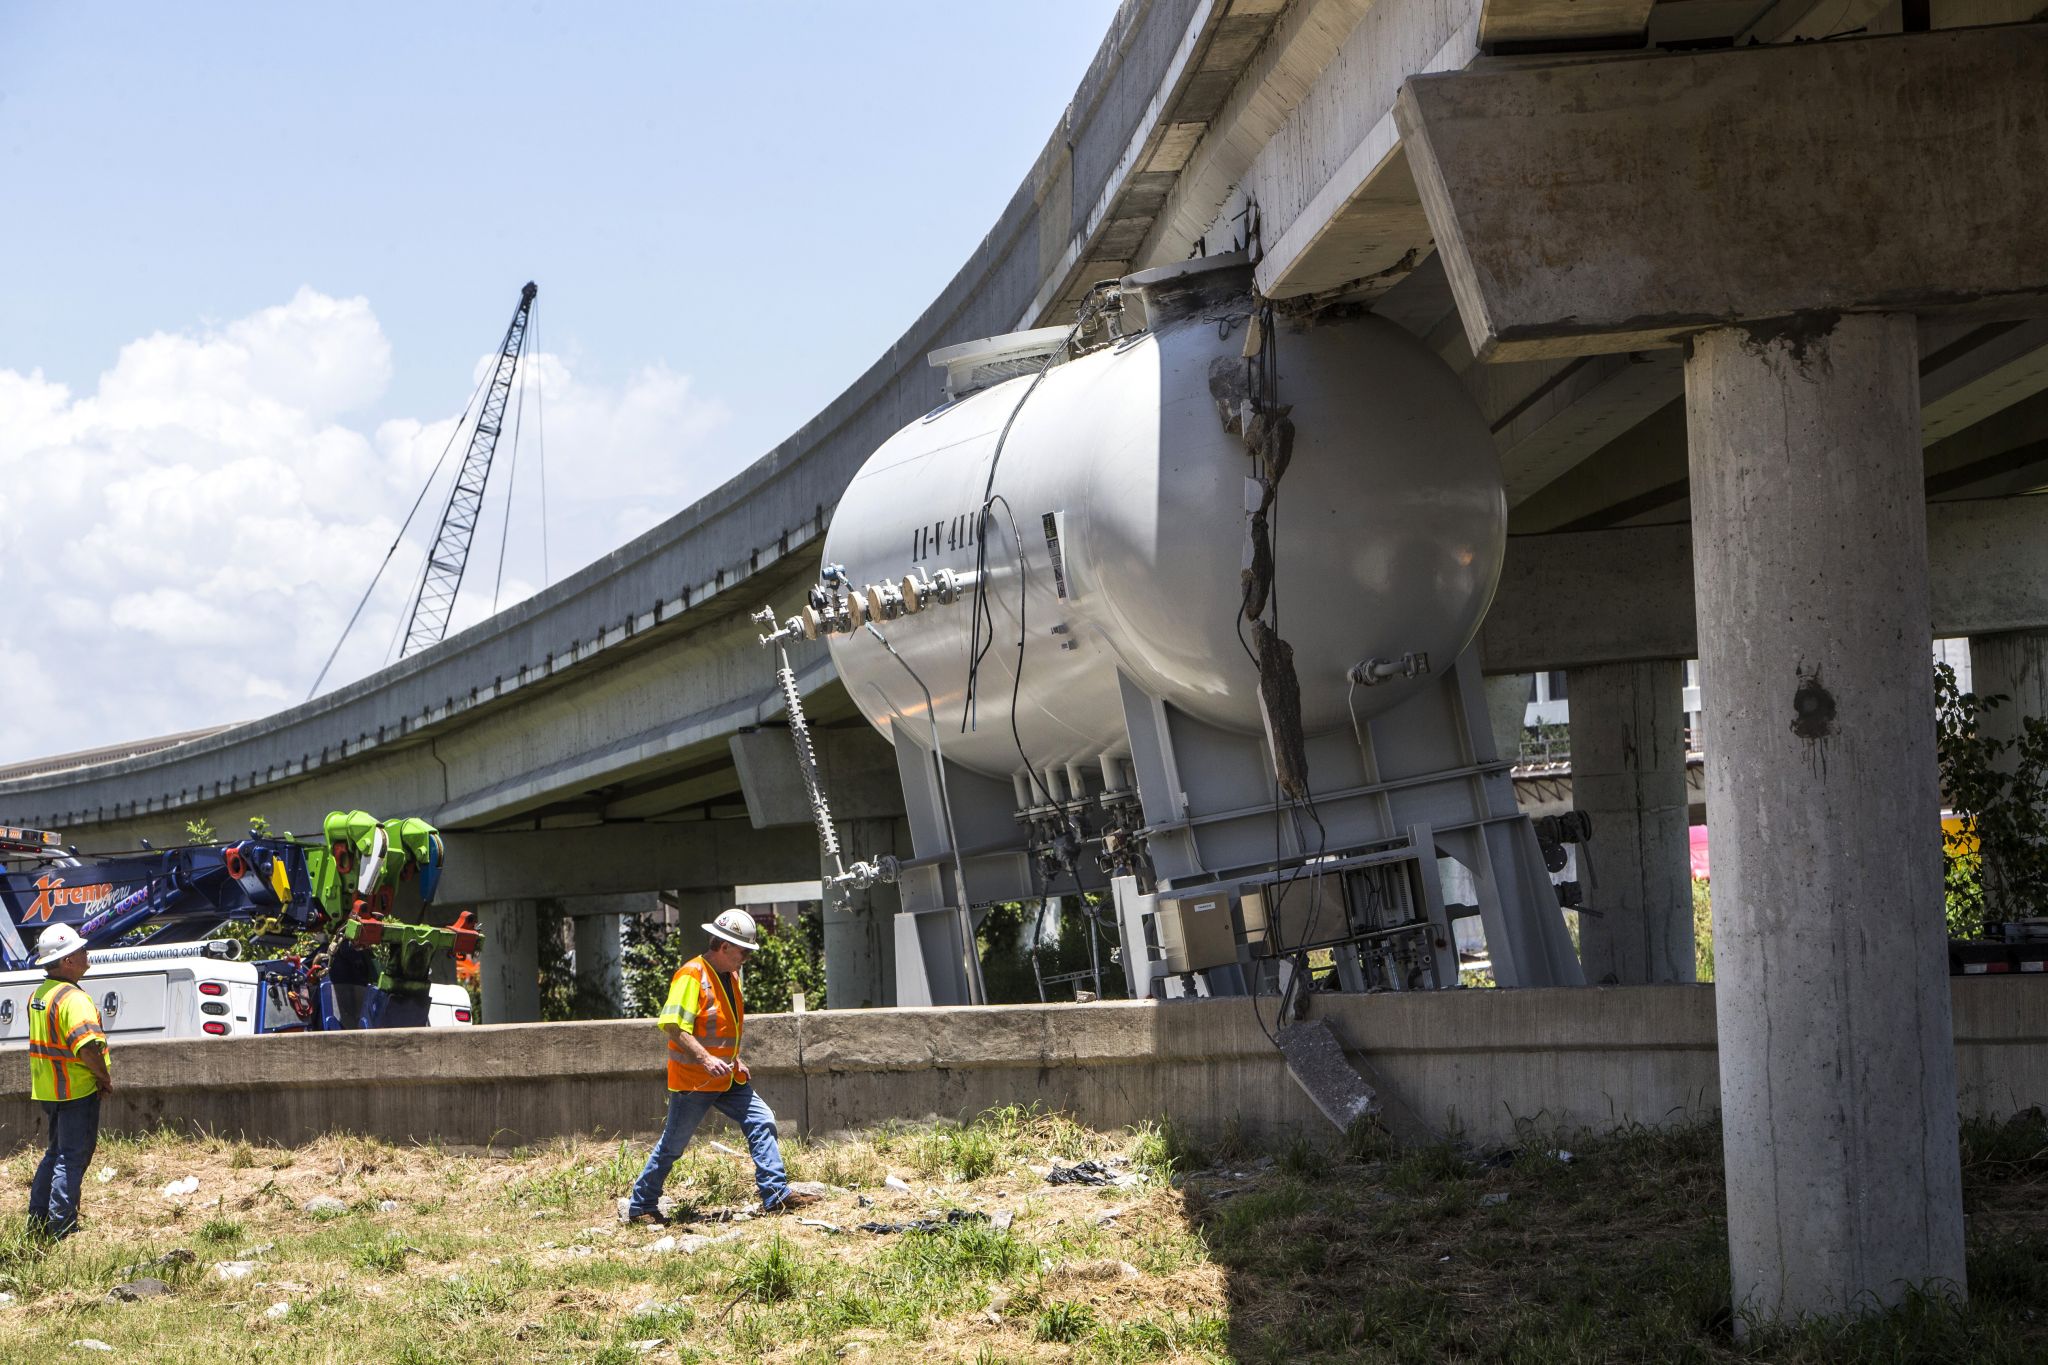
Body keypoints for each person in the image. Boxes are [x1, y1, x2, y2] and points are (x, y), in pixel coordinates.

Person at [622, 909, 814, 1222]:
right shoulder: (691, 975)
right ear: (724, 947)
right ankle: (642, 1205)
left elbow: (722, 1026)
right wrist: (706, 1058)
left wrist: (733, 1058)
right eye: (744, 952)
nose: (747, 958)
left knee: (762, 1119)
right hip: (695, 1079)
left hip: (727, 1076)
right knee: (673, 1145)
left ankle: (775, 1194)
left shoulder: (730, 976)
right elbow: (672, 1025)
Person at [24, 923, 112, 1239]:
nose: (86, 953)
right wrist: (103, 1077)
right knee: (71, 1159)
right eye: (80, 950)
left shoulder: (40, 995)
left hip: (50, 1090)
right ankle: (61, 1228)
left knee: (55, 1153)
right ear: (67, 961)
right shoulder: (73, 999)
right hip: (75, 1089)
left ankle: (37, 1220)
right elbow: (86, 1047)